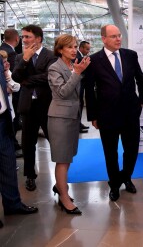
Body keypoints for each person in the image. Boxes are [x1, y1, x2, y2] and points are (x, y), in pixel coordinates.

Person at [85, 24, 143, 202]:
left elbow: (141, 79)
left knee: (132, 150)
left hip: (130, 112)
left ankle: (126, 177)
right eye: (113, 36)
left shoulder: (130, 55)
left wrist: (141, 101)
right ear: (104, 39)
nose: (118, 38)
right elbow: (89, 90)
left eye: (119, 35)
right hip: (107, 115)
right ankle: (114, 184)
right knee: (110, 153)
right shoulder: (94, 60)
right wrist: (93, 116)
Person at [48, 34, 90, 215]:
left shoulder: (73, 65)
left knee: (68, 156)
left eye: (75, 46)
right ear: (60, 50)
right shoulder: (54, 68)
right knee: (62, 160)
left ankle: (60, 187)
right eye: (70, 47)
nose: (74, 50)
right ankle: (64, 198)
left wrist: (77, 71)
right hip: (60, 119)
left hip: (72, 117)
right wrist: (77, 73)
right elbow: (63, 93)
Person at [12, 25, 57, 191]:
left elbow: (48, 77)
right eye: (23, 37)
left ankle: (61, 175)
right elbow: (16, 77)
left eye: (28, 37)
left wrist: (27, 80)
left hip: (47, 105)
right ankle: (30, 176)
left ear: (38, 38)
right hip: (28, 106)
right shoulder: (19, 57)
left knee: (55, 141)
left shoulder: (51, 55)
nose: (24, 40)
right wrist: (25, 59)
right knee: (27, 144)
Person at [0, 55, 38, 228]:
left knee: (8, 164)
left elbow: (13, 87)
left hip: (3, 119)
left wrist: (7, 74)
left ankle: (13, 204)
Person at [0, 29, 22, 155]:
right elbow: (15, 76)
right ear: (17, 39)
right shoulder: (10, 54)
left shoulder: (2, 49)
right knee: (11, 122)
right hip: (9, 96)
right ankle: (12, 146)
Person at [75, 40, 91, 133]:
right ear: (81, 48)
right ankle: (77, 126)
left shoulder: (81, 56)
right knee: (78, 104)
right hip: (78, 84)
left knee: (80, 104)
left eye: (89, 49)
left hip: (82, 84)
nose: (88, 51)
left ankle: (79, 124)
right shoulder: (77, 56)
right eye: (87, 49)